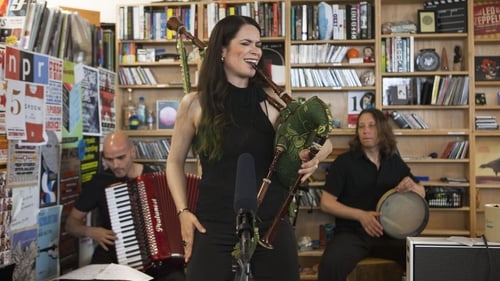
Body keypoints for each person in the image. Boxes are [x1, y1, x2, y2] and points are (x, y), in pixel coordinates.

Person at [166, 15, 333, 281]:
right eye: (246, 43)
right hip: (213, 222)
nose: (256, 50)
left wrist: (314, 156)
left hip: (270, 222)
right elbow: (174, 162)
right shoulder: (195, 104)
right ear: (222, 49)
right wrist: (183, 213)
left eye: (259, 44)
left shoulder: (273, 103)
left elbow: (324, 140)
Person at [317, 108, 425, 281]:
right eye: (361, 127)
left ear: (382, 130)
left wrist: (412, 186)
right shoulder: (344, 163)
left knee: (422, 257)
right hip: (353, 234)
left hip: (389, 235)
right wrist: (361, 215)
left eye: (371, 126)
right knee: (330, 266)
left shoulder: (393, 161)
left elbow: (421, 192)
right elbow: (326, 203)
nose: (366, 130)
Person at [65, 131, 185, 281]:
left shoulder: (155, 176)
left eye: (121, 158)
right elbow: (71, 224)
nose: (116, 165)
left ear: (132, 152)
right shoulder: (99, 182)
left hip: (159, 256)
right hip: (113, 253)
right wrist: (90, 231)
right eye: (109, 160)